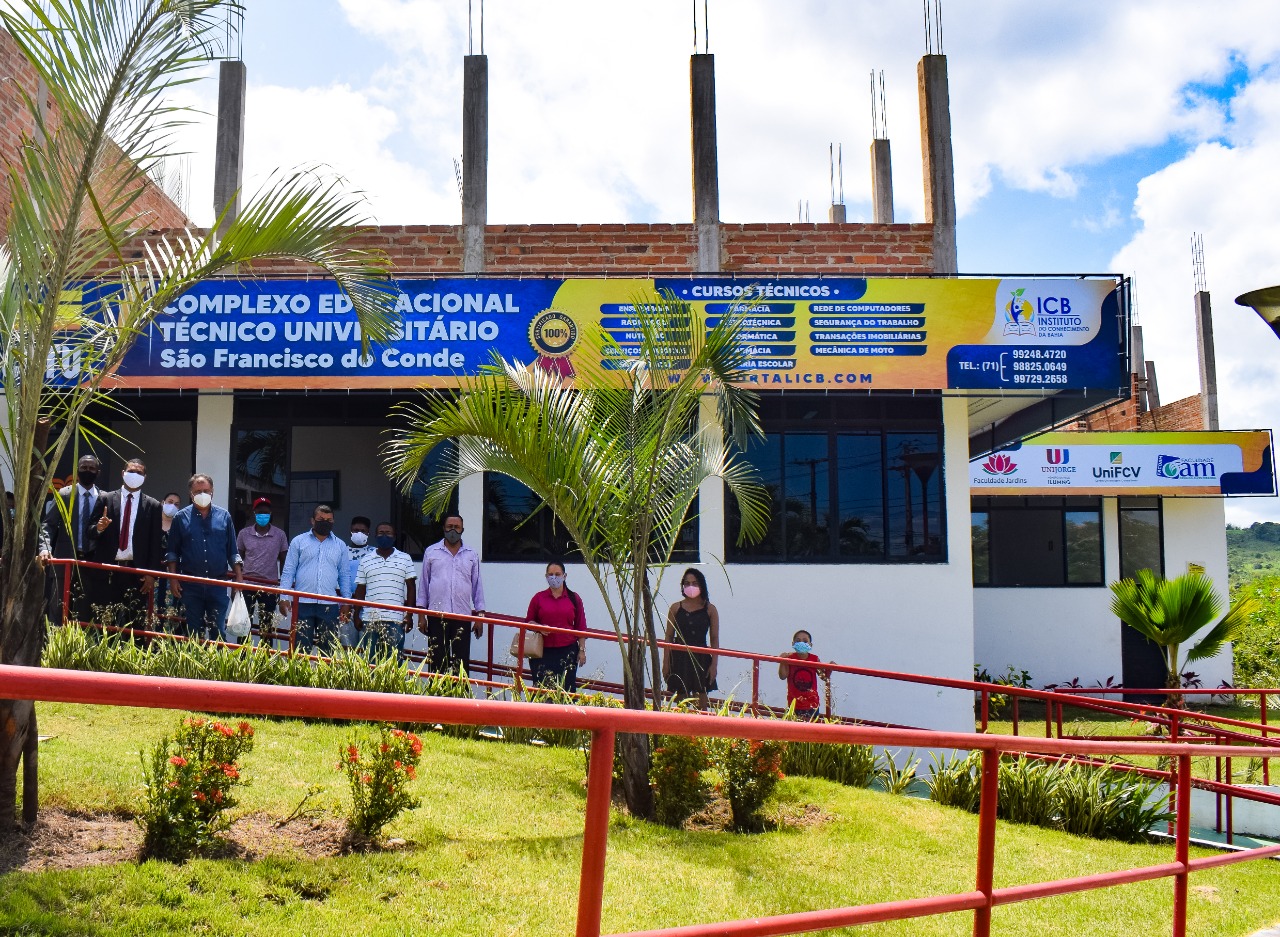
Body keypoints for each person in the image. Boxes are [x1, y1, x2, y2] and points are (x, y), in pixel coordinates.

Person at [85, 458, 164, 633]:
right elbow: (89, 531)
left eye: (139, 472)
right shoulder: (105, 498)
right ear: (123, 473)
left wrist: (151, 574)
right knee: (103, 623)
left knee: (134, 624)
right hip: (107, 571)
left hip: (136, 575)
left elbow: (155, 542)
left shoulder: (153, 505)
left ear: (145, 477)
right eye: (131, 471)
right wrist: (99, 528)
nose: (134, 475)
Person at [166, 473, 243, 641]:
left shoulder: (224, 516)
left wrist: (238, 577)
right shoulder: (181, 518)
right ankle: (195, 667)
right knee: (194, 634)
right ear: (191, 494)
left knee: (218, 633)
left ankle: (216, 667)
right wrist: (173, 579)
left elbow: (232, 551)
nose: (203, 494)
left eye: (206, 490)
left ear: (212, 491)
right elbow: (172, 552)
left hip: (218, 584)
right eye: (198, 491)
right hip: (191, 585)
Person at [39, 454, 106, 623]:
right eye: (83, 467)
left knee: (87, 613)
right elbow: (48, 525)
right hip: (65, 559)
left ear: (98, 472)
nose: (87, 471)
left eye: (91, 468)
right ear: (77, 471)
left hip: (92, 562)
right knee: (58, 610)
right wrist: (45, 548)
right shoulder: (64, 494)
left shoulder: (105, 498)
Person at [279, 504, 352, 654]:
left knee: (328, 650)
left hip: (329, 605)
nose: (325, 522)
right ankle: (299, 677)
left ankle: (325, 677)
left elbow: (344, 575)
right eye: (321, 519)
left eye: (329, 520)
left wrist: (346, 601)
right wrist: (283, 596)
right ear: (312, 521)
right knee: (300, 649)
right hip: (302, 603)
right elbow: (288, 571)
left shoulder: (340, 546)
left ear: (333, 521)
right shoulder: (298, 542)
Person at [418, 513, 485, 677]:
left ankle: (459, 699)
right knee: (436, 660)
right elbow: (424, 585)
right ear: (443, 528)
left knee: (460, 662)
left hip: (462, 616)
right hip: (436, 614)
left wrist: (480, 617)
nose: (453, 530)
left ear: (463, 530)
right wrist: (421, 615)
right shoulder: (431, 552)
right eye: (449, 527)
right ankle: (436, 699)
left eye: (457, 527)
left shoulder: (471, 554)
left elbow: (477, 586)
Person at [353, 521, 416, 660]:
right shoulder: (365, 560)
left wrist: (409, 615)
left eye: (388, 533)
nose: (384, 536)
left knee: (394, 663)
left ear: (394, 536)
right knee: (370, 662)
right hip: (370, 619)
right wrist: (356, 614)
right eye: (381, 533)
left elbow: (411, 588)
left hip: (395, 619)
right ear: (375, 535)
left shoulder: (405, 559)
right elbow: (360, 589)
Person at [524, 560, 587, 692]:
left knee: (567, 691)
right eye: (550, 574)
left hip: (567, 651)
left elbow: (581, 627)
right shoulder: (538, 598)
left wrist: (581, 651)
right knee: (542, 691)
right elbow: (529, 622)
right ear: (546, 576)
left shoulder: (574, 598)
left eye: (557, 574)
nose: (554, 577)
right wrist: (539, 627)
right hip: (542, 652)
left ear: (564, 576)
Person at [662, 567, 719, 709]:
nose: (690, 586)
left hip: (701, 657)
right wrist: (666, 663)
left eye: (694, 583)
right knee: (681, 702)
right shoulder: (675, 608)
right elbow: (668, 636)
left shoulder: (710, 609)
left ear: (701, 585)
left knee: (701, 701)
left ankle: (701, 731)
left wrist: (714, 665)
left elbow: (714, 638)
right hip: (679, 656)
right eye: (687, 583)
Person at [236, 497, 289, 643]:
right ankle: (241, 661)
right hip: (247, 584)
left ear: (271, 513)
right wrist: (237, 583)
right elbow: (237, 559)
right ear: (254, 513)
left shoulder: (279, 535)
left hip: (270, 587)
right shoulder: (244, 534)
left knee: (266, 628)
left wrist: (282, 586)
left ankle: (265, 662)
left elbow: (285, 560)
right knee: (243, 626)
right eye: (260, 512)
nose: (263, 515)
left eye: (266, 512)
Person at [778, 629, 831, 721]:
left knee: (810, 732)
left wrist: (829, 668)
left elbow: (823, 676)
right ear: (793, 643)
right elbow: (782, 676)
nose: (801, 643)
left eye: (805, 641)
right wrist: (782, 661)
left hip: (812, 705)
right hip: (794, 704)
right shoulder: (789, 658)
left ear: (810, 645)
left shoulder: (814, 659)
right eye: (798, 641)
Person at [343, 515, 374, 647]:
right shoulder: (342, 551)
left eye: (363, 531)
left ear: (368, 533)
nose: (359, 534)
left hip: (367, 608)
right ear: (350, 530)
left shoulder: (375, 553)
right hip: (345, 607)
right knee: (346, 648)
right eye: (356, 530)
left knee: (366, 648)